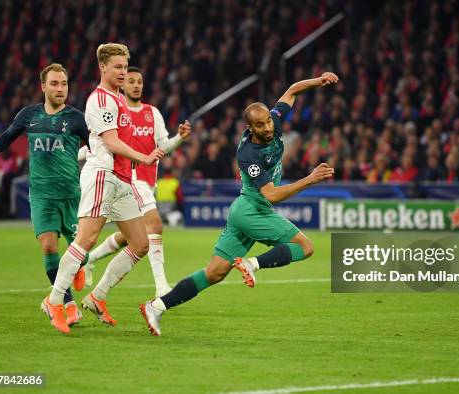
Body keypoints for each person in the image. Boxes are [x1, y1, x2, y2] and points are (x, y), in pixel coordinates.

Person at [139, 72, 339, 336]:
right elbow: (271, 195)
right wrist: (310, 179)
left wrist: (317, 81)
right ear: (249, 128)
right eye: (260, 125)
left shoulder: (274, 123)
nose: (267, 128)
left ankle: (157, 306)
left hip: (241, 210)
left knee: (214, 273)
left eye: (268, 121)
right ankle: (251, 264)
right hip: (252, 211)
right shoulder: (248, 154)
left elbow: (291, 90)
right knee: (306, 246)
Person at [41, 43, 165, 334]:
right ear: (103, 67)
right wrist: (144, 158)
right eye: (118, 67)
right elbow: (110, 142)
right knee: (85, 239)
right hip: (102, 175)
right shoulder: (99, 100)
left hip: (121, 179)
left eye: (125, 66)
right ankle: (54, 300)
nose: (122, 72)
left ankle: (97, 297)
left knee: (140, 243)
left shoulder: (119, 99)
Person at [0, 63, 90, 327]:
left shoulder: (76, 118)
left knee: (81, 253)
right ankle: (69, 304)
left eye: (63, 84)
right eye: (54, 84)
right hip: (41, 194)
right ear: (43, 86)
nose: (60, 88)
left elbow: (96, 145)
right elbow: (9, 134)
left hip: (71, 195)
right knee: (49, 246)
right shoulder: (29, 115)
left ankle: (80, 266)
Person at [78, 66, 191, 297]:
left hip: (147, 182)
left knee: (133, 235)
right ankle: (161, 287)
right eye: (131, 81)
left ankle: (90, 260)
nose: (136, 85)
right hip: (129, 178)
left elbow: (163, 146)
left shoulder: (152, 113)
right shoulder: (115, 110)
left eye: (139, 81)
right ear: (123, 84)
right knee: (155, 226)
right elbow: (98, 143)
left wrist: (179, 138)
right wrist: (73, 155)